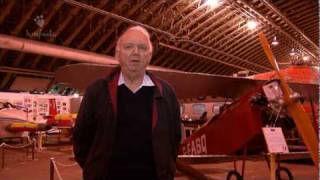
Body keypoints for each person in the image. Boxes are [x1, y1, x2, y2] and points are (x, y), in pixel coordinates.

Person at [73, 25, 182, 180]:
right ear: (118, 54)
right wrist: (94, 170)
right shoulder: (97, 92)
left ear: (149, 56)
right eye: (129, 47)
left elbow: (174, 139)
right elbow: (81, 139)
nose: (135, 52)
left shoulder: (166, 93)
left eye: (142, 48)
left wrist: (167, 169)